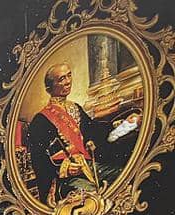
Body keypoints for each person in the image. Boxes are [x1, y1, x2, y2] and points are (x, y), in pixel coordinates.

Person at [26, 62, 140, 204]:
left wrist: (123, 124)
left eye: (69, 76)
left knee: (124, 174)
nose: (68, 81)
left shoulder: (75, 108)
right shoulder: (40, 120)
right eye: (61, 79)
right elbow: (39, 159)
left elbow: (94, 130)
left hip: (89, 166)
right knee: (95, 197)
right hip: (66, 179)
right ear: (50, 87)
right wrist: (65, 169)